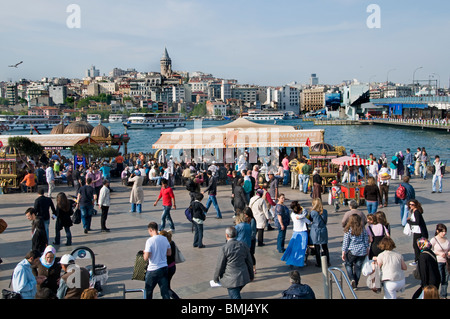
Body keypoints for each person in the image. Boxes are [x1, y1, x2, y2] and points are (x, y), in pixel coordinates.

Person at [212, 226, 254, 299]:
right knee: (233, 294)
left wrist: (216, 278)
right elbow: (249, 262)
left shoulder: (224, 248)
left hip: (231, 279)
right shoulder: (243, 245)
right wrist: (251, 275)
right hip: (243, 276)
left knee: (235, 296)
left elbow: (220, 265)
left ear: (226, 235)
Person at [143, 222, 171, 299]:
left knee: (148, 291)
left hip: (153, 269)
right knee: (165, 292)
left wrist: (144, 253)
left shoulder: (149, 241)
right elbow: (169, 253)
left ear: (151, 230)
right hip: (164, 268)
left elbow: (146, 257)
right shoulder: (164, 239)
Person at [342, 214, 369, 290]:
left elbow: (346, 242)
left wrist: (343, 252)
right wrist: (367, 249)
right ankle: (356, 283)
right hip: (362, 251)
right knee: (358, 267)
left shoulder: (349, 230)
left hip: (352, 251)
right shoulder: (363, 229)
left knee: (348, 264)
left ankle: (352, 279)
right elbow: (366, 240)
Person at [281, 201, 310, 268]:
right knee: (301, 249)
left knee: (293, 247)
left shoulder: (292, 215)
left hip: (295, 233)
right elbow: (308, 221)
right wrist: (304, 210)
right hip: (302, 233)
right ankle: (299, 261)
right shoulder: (301, 217)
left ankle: (291, 260)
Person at [159, 230, 180, 299]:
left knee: (166, 288)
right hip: (172, 267)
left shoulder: (165, 245)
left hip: (167, 269)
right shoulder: (172, 242)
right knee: (167, 286)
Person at [407, 199, 429, 266]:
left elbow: (417, 222)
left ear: (416, 205)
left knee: (416, 246)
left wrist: (409, 222)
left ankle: (417, 260)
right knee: (417, 246)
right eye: (410, 204)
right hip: (417, 231)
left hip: (419, 232)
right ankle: (419, 260)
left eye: (412, 204)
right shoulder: (413, 211)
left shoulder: (416, 212)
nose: (411, 206)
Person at [430, 223, 449, 299]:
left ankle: (443, 295)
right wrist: (438, 253)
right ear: (437, 231)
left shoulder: (447, 240)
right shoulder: (434, 240)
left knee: (446, 279)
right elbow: (429, 250)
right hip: (438, 262)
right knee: (439, 278)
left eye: (445, 231)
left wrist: (448, 253)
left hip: (447, 262)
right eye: (442, 231)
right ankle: (435, 295)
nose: (444, 233)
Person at [309, 198, 330, 267]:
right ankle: (327, 261)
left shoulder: (313, 212)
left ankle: (318, 262)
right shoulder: (325, 211)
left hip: (315, 230)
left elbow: (310, 220)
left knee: (317, 247)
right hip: (323, 229)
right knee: (325, 246)